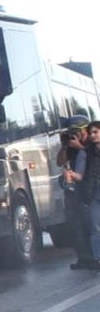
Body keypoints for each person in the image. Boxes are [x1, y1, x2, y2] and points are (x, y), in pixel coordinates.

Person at [59, 115, 96, 270]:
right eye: (71, 132)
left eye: (76, 131)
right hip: (76, 191)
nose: (74, 134)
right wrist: (65, 146)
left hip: (92, 189)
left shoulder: (93, 143)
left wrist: (80, 147)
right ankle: (83, 258)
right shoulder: (72, 146)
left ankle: (95, 258)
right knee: (76, 225)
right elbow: (60, 162)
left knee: (92, 226)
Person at [78, 121, 100, 265]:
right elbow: (81, 175)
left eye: (95, 132)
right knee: (96, 228)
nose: (92, 135)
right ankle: (98, 259)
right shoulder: (86, 151)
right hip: (94, 193)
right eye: (90, 133)